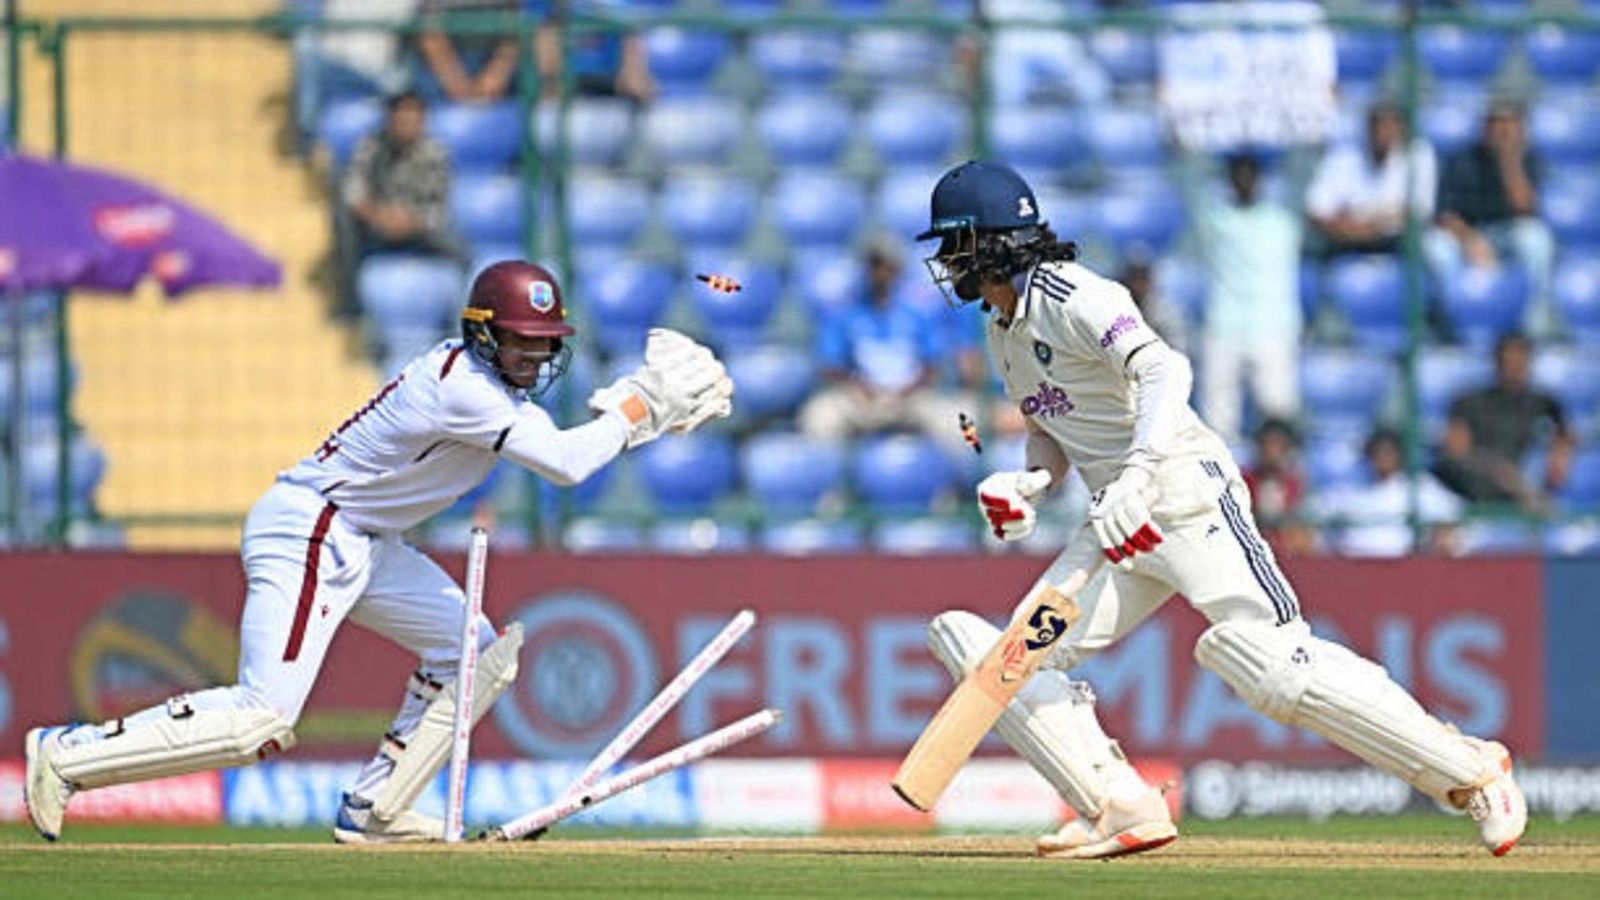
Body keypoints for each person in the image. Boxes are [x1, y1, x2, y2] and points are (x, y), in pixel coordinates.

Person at [915, 160, 1525, 860]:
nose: (946, 260)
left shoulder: (1072, 293)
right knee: (1010, 660)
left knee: (1272, 662)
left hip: (1183, 495)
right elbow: (1051, 430)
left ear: (993, 240)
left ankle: (1474, 773)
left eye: (955, 242)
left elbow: (1164, 368)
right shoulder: (1003, 331)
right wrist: (1029, 483)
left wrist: (1139, 473)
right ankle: (1118, 805)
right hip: (1116, 528)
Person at [23, 261, 734, 844]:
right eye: (520, 341)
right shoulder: (463, 389)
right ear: (482, 335)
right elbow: (568, 464)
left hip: (362, 538)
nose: (534, 357)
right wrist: (643, 404)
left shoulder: (494, 391)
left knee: (475, 655)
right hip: (311, 528)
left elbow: (567, 446)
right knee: (260, 720)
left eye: (545, 343)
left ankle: (378, 809)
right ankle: (67, 753)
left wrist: (638, 413)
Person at [798, 236, 968, 454]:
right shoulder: (845, 314)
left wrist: (910, 389)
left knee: (956, 422)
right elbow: (830, 365)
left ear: (897, 270)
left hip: (909, 397)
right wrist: (858, 386)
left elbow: (932, 363)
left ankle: (959, 476)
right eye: (874, 266)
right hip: (860, 398)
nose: (880, 273)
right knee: (820, 417)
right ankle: (831, 476)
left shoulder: (916, 314)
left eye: (886, 266)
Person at [1187, 151, 1304, 446]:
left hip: (1274, 327)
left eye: (1249, 176)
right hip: (1223, 324)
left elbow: (1305, 170)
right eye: (1237, 176)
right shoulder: (1216, 218)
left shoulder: (1282, 221)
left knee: (1278, 414)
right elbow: (1187, 180)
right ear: (1228, 181)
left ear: (1259, 181)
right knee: (1217, 423)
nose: (1243, 182)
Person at [1423, 101, 1557, 338]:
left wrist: (1509, 161)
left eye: (1509, 124)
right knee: (1435, 247)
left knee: (1536, 239)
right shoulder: (1462, 158)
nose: (1502, 131)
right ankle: (1450, 327)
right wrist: (1470, 241)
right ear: (1485, 128)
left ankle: (1533, 327)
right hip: (1466, 234)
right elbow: (1444, 215)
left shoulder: (1528, 159)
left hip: (1507, 234)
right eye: (1496, 124)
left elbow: (1525, 208)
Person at [1432, 331, 1574, 514]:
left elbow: (1565, 438)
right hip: (1475, 490)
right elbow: (1456, 451)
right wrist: (1504, 474)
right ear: (1497, 361)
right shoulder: (1468, 402)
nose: (1515, 365)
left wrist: (1558, 459)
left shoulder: (1545, 403)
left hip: (1529, 490)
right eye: (1508, 359)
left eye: (1521, 358)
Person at [338, 90, 469, 282]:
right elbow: (351, 188)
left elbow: (438, 207)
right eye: (400, 118)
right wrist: (376, 214)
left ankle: (462, 295)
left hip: (419, 227)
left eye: (412, 119)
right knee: (344, 219)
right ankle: (352, 294)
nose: (406, 125)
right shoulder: (371, 146)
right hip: (377, 223)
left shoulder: (436, 153)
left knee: (460, 249)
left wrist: (410, 220)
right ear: (389, 119)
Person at [1305, 102, 1437, 256]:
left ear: (1402, 129)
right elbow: (1317, 212)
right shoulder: (1343, 156)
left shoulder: (1418, 154)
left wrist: (1365, 221)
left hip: (1397, 245)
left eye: (1391, 126)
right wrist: (1363, 227)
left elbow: (1418, 212)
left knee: (1435, 248)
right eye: (1379, 126)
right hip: (1346, 243)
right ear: (1368, 128)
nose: (1384, 134)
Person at [1317, 427, 1463, 558]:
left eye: (1388, 452)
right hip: (1350, 564)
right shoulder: (1353, 489)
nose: (1382, 457)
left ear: (1400, 454)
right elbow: (1316, 512)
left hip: (1401, 566)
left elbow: (1453, 516)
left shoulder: (1419, 486)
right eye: (1377, 452)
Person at [415, 0, 523, 103]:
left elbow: (513, 29)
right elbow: (429, 32)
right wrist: (456, 83)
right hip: (444, 71)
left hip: (495, 66)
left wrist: (495, 77)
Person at [1240, 417, 1316, 556]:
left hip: (1287, 550)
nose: (1272, 452)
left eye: (1278, 445)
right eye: (1267, 444)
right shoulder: (1243, 482)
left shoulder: (1296, 484)